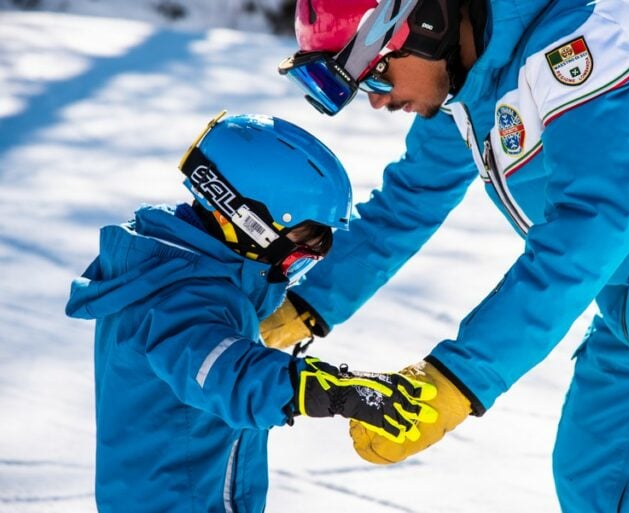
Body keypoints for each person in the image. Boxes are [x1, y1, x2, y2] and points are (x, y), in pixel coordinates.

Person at [267, 0, 629, 512]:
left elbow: (592, 223)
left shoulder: (588, 38)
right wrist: (302, 307)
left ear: (425, 25)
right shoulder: (466, 79)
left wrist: (457, 378)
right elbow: (409, 200)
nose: (378, 101)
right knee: (595, 481)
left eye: (375, 77)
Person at [64, 112, 439, 513]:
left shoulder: (187, 271)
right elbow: (221, 371)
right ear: (246, 218)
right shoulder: (176, 296)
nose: (299, 263)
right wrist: (326, 388)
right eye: (301, 245)